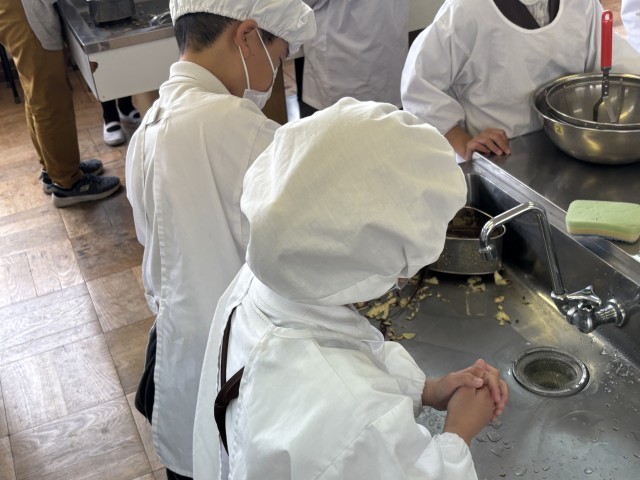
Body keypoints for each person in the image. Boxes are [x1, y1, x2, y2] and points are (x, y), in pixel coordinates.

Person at [192, 98, 509, 479]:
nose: (400, 280)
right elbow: (387, 451)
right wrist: (459, 431)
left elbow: (344, 347)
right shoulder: (351, 419)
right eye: (400, 269)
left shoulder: (270, 273)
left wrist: (426, 389)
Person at [125, 0, 315, 478]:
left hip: (178, 360)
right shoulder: (239, 128)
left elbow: (153, 244)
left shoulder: (148, 126)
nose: (275, 75)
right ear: (248, 38)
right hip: (236, 366)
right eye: (279, 56)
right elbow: (303, 247)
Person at [401, 0, 640, 161]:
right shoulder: (468, 10)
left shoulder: (581, 4)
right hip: (499, 157)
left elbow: (614, 61)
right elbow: (419, 85)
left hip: (567, 148)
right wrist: (463, 143)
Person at [0, 0, 120, 207]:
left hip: (19, 8)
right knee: (50, 99)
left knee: (37, 93)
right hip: (25, 9)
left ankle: (54, 168)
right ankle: (68, 183)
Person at [297, 0, 409, 116]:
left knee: (340, 122)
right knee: (388, 120)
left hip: (343, 67)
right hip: (387, 59)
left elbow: (298, 4)